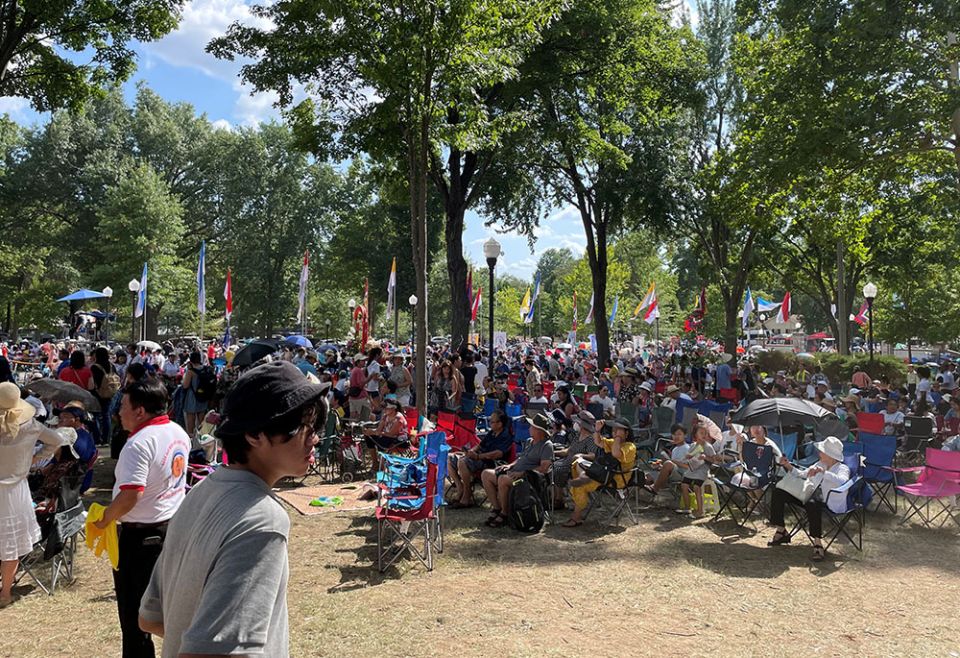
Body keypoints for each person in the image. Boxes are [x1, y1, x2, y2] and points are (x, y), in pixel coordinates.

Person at [139, 360, 327, 658]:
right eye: (300, 426)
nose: (314, 436)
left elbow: (151, 618)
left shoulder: (199, 493)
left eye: (316, 424)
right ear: (254, 435)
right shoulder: (262, 519)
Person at [94, 378, 191, 657]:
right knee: (169, 608)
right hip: (171, 529)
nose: (118, 412)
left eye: (123, 405)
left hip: (140, 538)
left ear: (140, 411)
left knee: (135, 618)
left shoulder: (138, 443)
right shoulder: (177, 431)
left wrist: (104, 519)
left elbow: (130, 495)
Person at [0, 382, 61, 607]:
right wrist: (33, 458)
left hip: (13, 489)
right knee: (10, 546)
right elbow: (57, 441)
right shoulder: (30, 425)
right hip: (15, 490)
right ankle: (5, 593)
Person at [768, 436, 851, 561]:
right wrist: (787, 465)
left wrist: (823, 472)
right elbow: (801, 474)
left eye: (822, 451)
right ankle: (781, 530)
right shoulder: (819, 463)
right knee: (778, 492)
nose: (819, 453)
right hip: (807, 495)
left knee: (813, 504)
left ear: (830, 455)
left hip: (827, 502)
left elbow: (842, 481)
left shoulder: (842, 469)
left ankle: (817, 542)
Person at [480, 412, 554, 529]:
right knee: (486, 474)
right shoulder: (530, 441)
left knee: (503, 479)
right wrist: (510, 465)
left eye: (532, 427)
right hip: (516, 472)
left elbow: (544, 468)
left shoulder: (547, 445)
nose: (529, 428)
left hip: (530, 479)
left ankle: (505, 514)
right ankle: (497, 507)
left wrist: (524, 472)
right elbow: (521, 458)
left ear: (539, 431)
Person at [563, 417, 637, 527]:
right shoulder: (613, 442)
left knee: (580, 486)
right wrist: (597, 430)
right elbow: (598, 442)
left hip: (618, 479)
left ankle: (576, 517)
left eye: (618, 429)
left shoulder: (630, 447)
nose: (614, 431)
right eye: (614, 429)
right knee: (576, 465)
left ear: (627, 433)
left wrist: (617, 438)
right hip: (606, 474)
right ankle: (584, 478)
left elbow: (616, 454)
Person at [448, 409, 513, 509]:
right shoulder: (492, 433)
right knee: (450, 458)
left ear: (500, 424)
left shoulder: (506, 436)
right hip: (478, 458)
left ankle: (467, 495)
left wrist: (478, 456)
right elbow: (479, 446)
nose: (490, 423)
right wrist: (471, 452)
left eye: (492, 421)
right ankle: (460, 487)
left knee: (462, 462)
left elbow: (498, 454)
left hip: (490, 462)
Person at [55, 403, 97, 492]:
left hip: (73, 481)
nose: (60, 420)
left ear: (77, 420)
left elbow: (69, 463)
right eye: (60, 417)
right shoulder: (79, 434)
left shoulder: (80, 439)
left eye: (65, 417)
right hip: (73, 477)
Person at [361, 398, 409, 463]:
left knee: (382, 440)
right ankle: (375, 463)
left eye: (386, 408)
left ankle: (383, 464)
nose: (384, 410)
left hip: (399, 440)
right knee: (369, 438)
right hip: (388, 437)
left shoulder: (399, 418)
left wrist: (375, 432)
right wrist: (371, 431)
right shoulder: (385, 416)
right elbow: (379, 429)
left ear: (393, 408)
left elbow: (392, 434)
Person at [179, 352, 209, 438]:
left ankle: (191, 439)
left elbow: (185, 385)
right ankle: (203, 438)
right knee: (202, 421)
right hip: (203, 397)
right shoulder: (205, 369)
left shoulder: (191, 372)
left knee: (190, 421)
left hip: (192, 397)